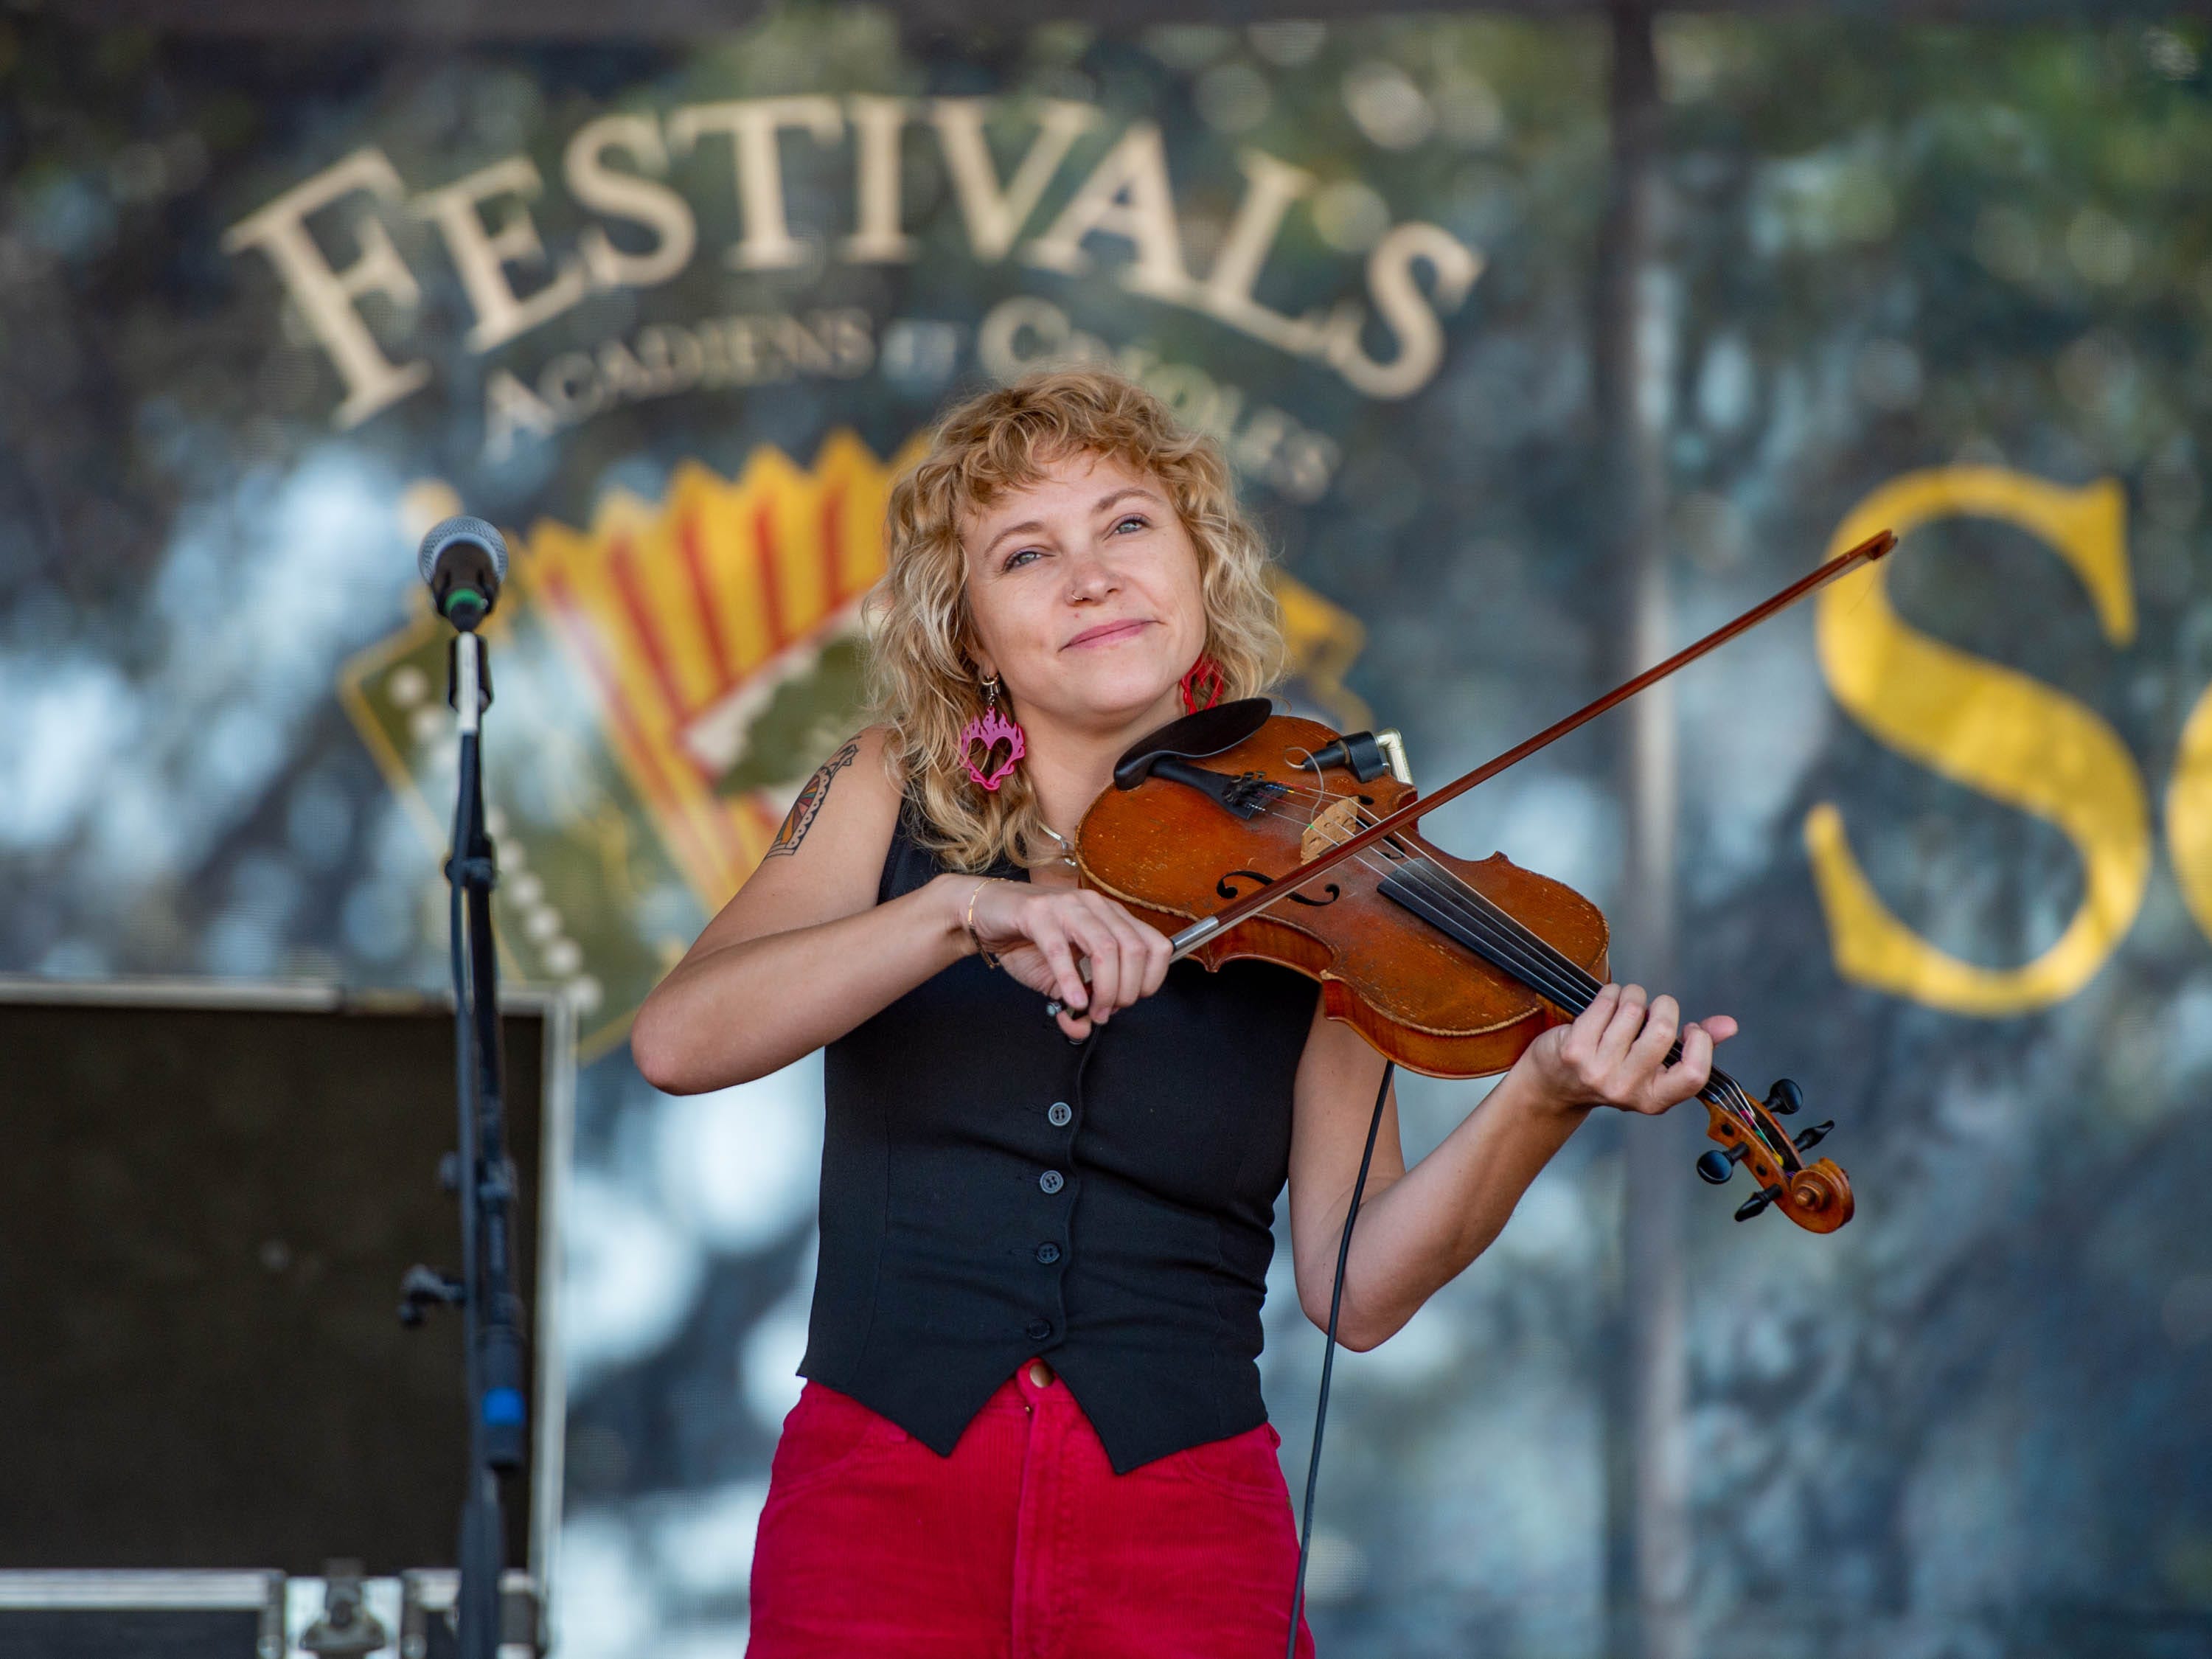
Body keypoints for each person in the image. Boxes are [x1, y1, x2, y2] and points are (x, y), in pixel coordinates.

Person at [629, 366, 1736, 1658]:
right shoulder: (889, 789)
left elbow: (1355, 1287)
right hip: (880, 1512)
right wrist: (955, 915)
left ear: (1199, 567)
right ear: (972, 632)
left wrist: (1541, 1097)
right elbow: (678, 1038)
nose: (1091, 576)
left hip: (1185, 1532)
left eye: (1128, 524)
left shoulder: (1329, 863)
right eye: (1026, 553)